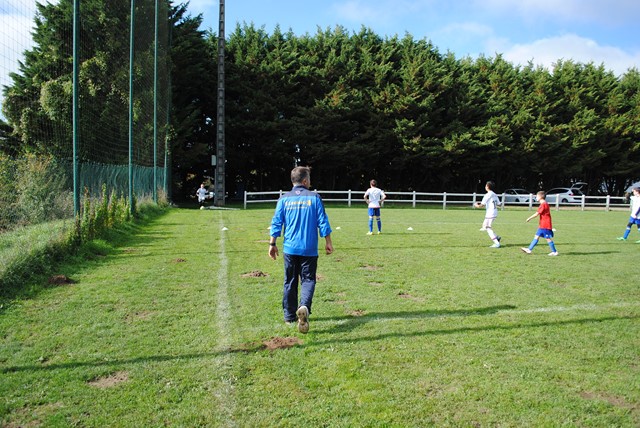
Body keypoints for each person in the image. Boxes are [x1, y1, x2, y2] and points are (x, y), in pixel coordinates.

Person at [269, 166, 333, 333]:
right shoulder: (314, 197)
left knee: (290, 281)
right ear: (305, 181)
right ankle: (304, 306)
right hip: (309, 248)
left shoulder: (284, 199)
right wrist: (328, 241)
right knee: (308, 280)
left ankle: (289, 316)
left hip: (290, 248)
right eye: (309, 179)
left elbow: (276, 222)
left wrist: (272, 244)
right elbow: (323, 221)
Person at [521, 191, 559, 256]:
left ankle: (554, 251)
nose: (536, 197)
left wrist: (529, 218)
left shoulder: (543, 204)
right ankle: (529, 249)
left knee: (547, 238)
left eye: (537, 196)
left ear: (540, 197)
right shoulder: (545, 204)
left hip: (545, 225)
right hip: (543, 224)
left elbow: (537, 214)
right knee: (537, 236)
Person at [474, 181, 502, 248]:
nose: (485, 186)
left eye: (486, 185)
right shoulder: (494, 194)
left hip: (490, 213)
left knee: (487, 227)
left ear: (487, 186)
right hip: (494, 212)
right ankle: (496, 237)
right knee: (484, 226)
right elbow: (499, 204)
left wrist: (476, 205)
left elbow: (482, 205)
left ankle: (496, 243)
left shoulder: (487, 195)